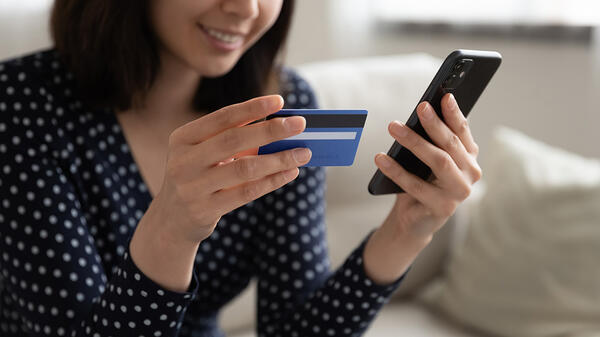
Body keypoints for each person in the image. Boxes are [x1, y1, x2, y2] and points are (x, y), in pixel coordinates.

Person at [0, 0, 482, 336]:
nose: (248, 8)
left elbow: (294, 330)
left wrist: (405, 230)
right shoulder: (21, 106)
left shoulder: (284, 107)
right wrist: (171, 230)